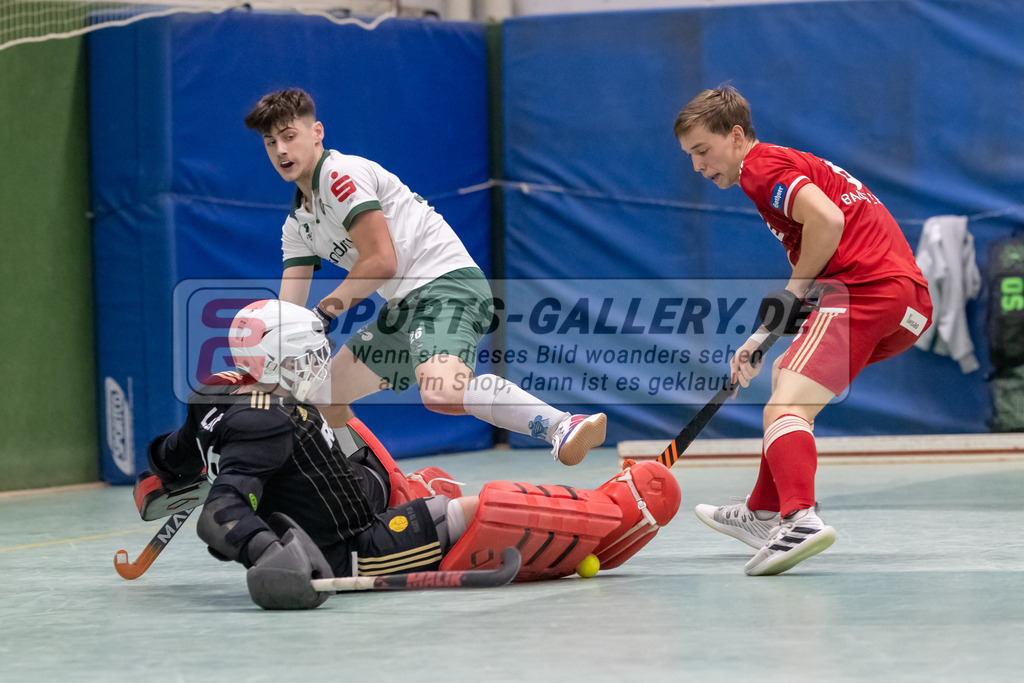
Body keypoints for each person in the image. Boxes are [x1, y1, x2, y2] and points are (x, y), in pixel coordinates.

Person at [139, 300, 680, 609]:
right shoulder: (270, 423)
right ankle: (606, 518)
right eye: (306, 358)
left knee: (357, 434)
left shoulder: (217, 389)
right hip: (355, 546)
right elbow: (221, 512)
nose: (316, 368)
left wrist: (158, 477)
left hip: (340, 495)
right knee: (477, 508)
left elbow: (178, 451)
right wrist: (265, 553)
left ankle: (415, 492)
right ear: (275, 361)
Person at [242, 88, 605, 466]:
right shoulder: (297, 223)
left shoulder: (339, 175)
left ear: (316, 132)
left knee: (442, 391)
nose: (281, 150)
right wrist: (263, 358)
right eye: (271, 143)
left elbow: (383, 261)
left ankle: (561, 424)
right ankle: (375, 490)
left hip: (447, 285)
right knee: (321, 398)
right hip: (404, 309)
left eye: (289, 136)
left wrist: (322, 315)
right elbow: (286, 313)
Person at [672, 86, 932, 576]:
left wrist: (792, 292)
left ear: (735, 135)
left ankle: (798, 518)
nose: (699, 167)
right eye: (690, 157)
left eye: (703, 151)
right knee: (790, 391)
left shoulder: (759, 168)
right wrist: (760, 339)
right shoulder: (786, 163)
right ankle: (762, 510)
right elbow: (826, 246)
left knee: (786, 404)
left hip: (864, 290)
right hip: (904, 303)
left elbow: (827, 220)